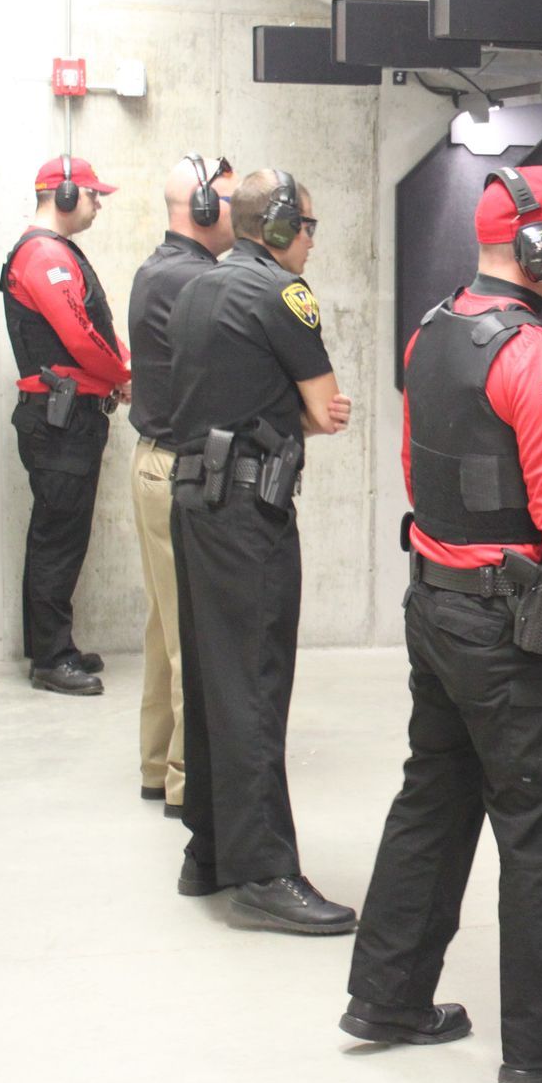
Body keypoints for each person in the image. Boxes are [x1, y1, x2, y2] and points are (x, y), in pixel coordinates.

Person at [342, 166, 542, 1083]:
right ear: (536, 246)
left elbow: (414, 466)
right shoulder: (535, 354)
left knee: (431, 805)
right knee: (539, 827)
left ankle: (388, 995)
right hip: (512, 632)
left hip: (437, 605)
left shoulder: (433, 331)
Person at [167, 168, 355, 934]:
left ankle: (209, 851)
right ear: (277, 226)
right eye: (307, 226)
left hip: (196, 501)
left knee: (215, 678)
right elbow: (325, 409)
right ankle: (266, 871)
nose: (311, 241)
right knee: (255, 684)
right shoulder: (283, 295)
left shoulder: (195, 289)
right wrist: (295, 411)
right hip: (250, 509)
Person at [127, 155, 236, 817]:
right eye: (226, 199)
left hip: (155, 464)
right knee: (191, 634)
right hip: (177, 470)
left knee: (165, 628)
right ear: (198, 208)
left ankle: (156, 765)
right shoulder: (195, 284)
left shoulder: (161, 270)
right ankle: (187, 783)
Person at [1, 155, 129, 696]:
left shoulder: (55, 254)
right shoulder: (44, 255)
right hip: (61, 421)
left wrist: (118, 370)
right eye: (94, 195)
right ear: (66, 194)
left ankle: (54, 646)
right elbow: (79, 337)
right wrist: (124, 373)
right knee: (58, 537)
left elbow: (93, 327)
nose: (99, 205)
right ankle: (52, 658)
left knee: (63, 534)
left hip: (68, 417)